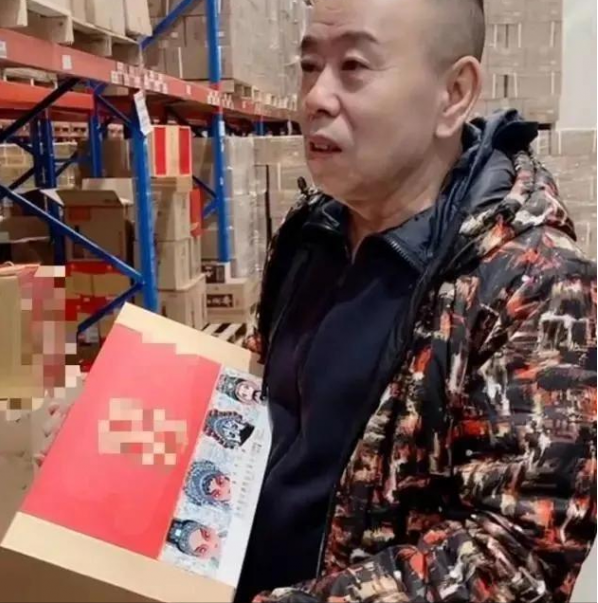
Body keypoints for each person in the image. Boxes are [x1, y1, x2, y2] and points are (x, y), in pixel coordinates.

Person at [40, 0, 596, 601]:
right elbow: (263, 406)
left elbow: (516, 559)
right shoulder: (311, 234)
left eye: (353, 67)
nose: (316, 98)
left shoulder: (534, 284)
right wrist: (120, 439)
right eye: (309, 66)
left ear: (453, 93)